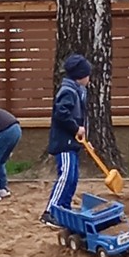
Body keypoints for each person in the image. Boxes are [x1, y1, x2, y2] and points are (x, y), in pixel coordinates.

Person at [40, 53, 91, 227]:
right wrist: (76, 129)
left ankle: (64, 208)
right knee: (65, 177)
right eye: (87, 75)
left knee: (73, 177)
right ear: (80, 76)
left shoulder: (78, 91)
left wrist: (83, 137)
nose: (89, 78)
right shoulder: (68, 91)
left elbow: (77, 118)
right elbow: (61, 114)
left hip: (72, 142)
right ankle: (50, 212)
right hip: (64, 143)